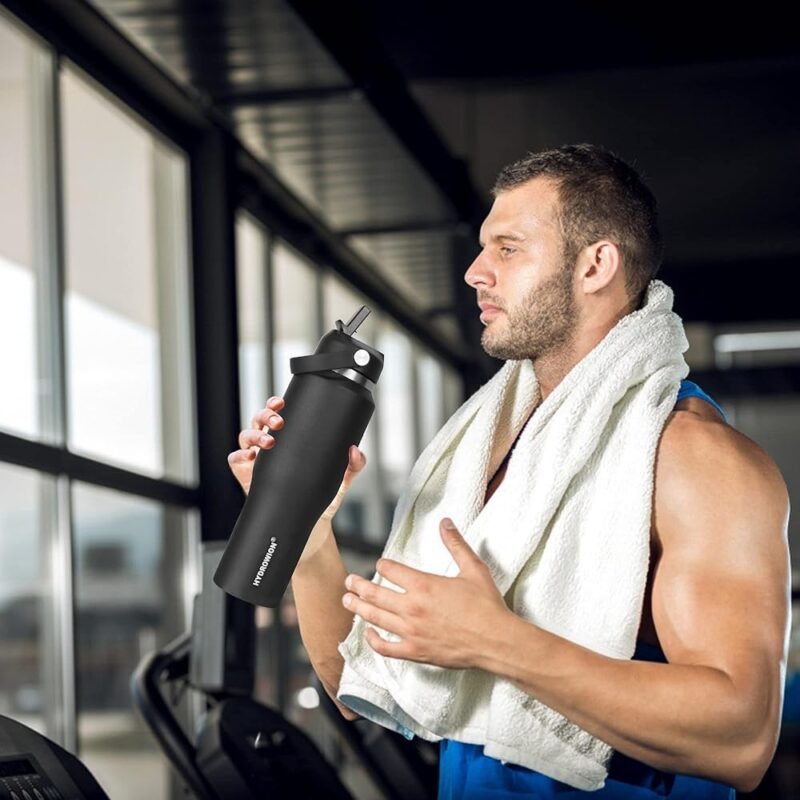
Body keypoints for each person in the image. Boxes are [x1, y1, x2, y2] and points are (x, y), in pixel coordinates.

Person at [228, 144, 791, 798]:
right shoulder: (487, 449)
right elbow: (357, 689)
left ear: (595, 265)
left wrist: (499, 644)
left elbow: (743, 737)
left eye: (507, 248)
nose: (474, 272)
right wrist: (311, 534)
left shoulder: (694, 457)